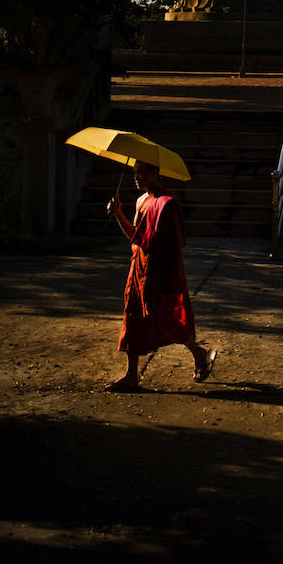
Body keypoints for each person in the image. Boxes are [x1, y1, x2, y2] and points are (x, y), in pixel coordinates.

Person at [106, 161, 216, 392]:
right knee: (133, 317)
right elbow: (135, 238)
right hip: (138, 268)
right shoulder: (140, 201)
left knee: (166, 318)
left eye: (142, 173)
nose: (137, 178)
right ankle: (131, 375)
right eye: (135, 174)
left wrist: (172, 277)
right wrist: (118, 214)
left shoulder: (167, 203)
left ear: (155, 173)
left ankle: (199, 353)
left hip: (158, 271)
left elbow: (176, 244)